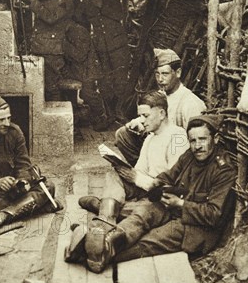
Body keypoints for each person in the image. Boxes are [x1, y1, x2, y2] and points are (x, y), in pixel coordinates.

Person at [83, 115, 237, 273]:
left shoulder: (223, 171)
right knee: (142, 214)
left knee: (149, 240)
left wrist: (181, 204)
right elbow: (169, 175)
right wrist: (156, 184)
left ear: (216, 139)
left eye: (203, 139)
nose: (197, 146)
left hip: (193, 226)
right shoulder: (189, 156)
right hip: (173, 208)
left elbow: (214, 214)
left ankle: (91, 252)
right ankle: (107, 242)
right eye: (193, 140)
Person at [64, 91, 188, 267]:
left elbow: (172, 184)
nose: (142, 120)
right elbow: (140, 170)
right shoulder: (151, 136)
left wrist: (136, 179)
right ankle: (104, 224)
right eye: (140, 116)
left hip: (161, 199)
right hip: (145, 188)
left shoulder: (177, 137)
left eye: (145, 115)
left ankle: (102, 244)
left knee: (143, 213)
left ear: (161, 113)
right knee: (113, 174)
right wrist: (126, 171)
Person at [0, 92, 61, 231]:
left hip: (14, 192)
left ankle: (3, 216)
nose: (7, 123)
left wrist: (21, 182)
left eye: (9, 118)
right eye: (1, 120)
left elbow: (23, 165)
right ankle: (34, 207)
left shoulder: (14, 132)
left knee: (48, 186)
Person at [115, 48, 206, 166]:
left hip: (178, 152)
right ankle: (145, 169)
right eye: (157, 74)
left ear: (178, 73)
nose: (160, 79)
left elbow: (196, 141)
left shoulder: (190, 103)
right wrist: (139, 123)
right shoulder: (161, 95)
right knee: (123, 134)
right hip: (159, 144)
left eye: (165, 74)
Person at [77, 0, 131, 123]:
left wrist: (101, 6)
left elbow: (120, 15)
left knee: (120, 80)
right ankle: (110, 114)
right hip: (100, 47)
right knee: (105, 82)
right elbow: (80, 18)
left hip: (118, 45)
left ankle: (122, 112)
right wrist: (83, 1)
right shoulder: (86, 1)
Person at [24, 0, 74, 101]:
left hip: (52, 50)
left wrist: (34, 2)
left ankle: (57, 114)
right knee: (45, 86)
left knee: (52, 87)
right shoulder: (47, 1)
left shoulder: (64, 0)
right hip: (43, 48)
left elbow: (51, 18)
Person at [62, 21, 110, 131]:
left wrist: (63, 45)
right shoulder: (70, 30)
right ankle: (79, 117)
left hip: (88, 70)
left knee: (88, 94)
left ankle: (102, 117)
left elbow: (80, 55)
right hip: (80, 69)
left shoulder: (78, 31)